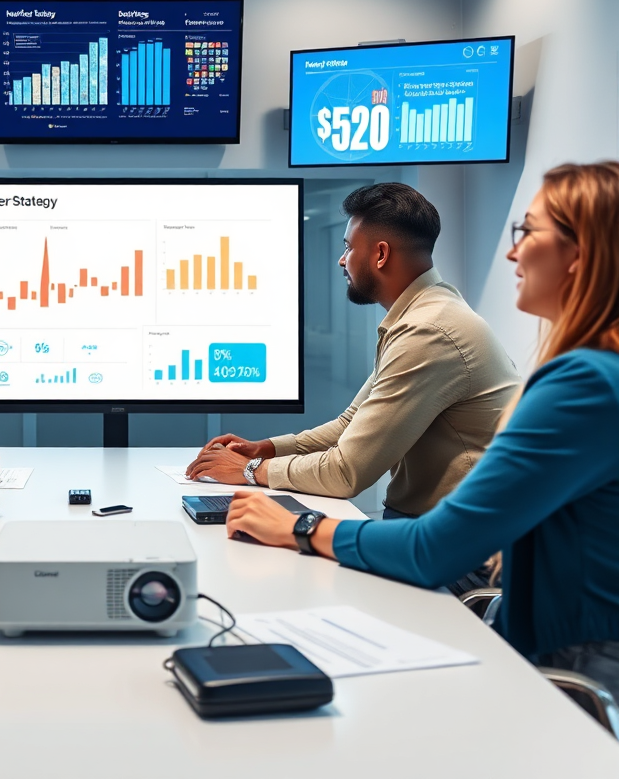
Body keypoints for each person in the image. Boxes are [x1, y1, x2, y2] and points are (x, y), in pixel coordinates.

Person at [225, 162, 619, 695]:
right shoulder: (588, 370)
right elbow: (350, 425)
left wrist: (295, 525)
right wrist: (265, 452)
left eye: (527, 230)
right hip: (538, 624)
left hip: (566, 663)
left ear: (581, 253)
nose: (511, 251)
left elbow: (432, 545)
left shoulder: (582, 384)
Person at [187, 182, 520, 519]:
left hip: (459, 548)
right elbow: (350, 423)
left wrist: (250, 471)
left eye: (348, 247)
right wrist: (268, 449)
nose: (342, 260)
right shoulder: (428, 311)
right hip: (436, 527)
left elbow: (346, 472)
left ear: (380, 254)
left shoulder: (428, 330)